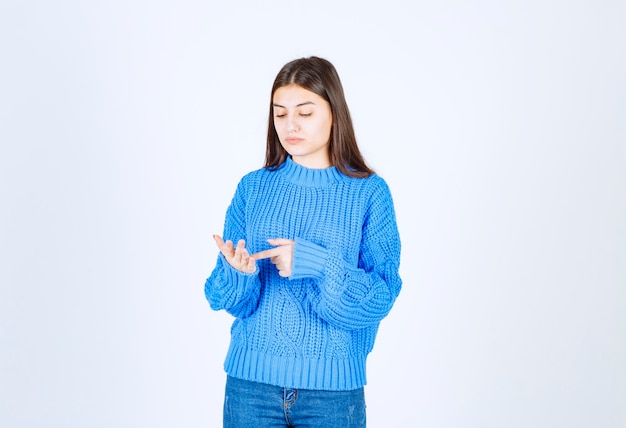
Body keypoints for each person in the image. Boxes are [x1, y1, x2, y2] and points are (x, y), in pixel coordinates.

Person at [204, 56, 402, 428]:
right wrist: (239, 274)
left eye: (305, 112)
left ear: (334, 113)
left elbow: (381, 296)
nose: (290, 125)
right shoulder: (254, 187)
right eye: (280, 114)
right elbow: (227, 300)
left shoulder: (369, 193)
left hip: (332, 394)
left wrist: (315, 263)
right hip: (251, 387)